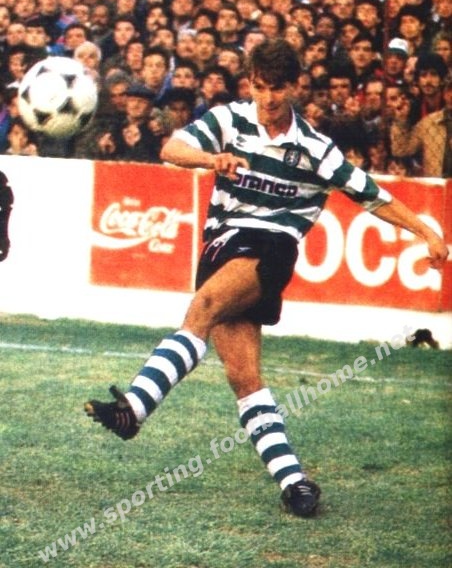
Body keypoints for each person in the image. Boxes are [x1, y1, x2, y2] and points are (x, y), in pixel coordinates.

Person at [85, 39, 449, 518]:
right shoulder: (230, 119)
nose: (268, 98)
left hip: (269, 248)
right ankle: (295, 483)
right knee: (245, 379)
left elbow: (372, 195)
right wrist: (212, 159)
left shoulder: (314, 148)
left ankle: (134, 407)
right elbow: (172, 148)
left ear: (293, 86)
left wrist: (427, 231)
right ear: (250, 83)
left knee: (202, 310)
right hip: (220, 249)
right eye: (260, 87)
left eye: (277, 88)